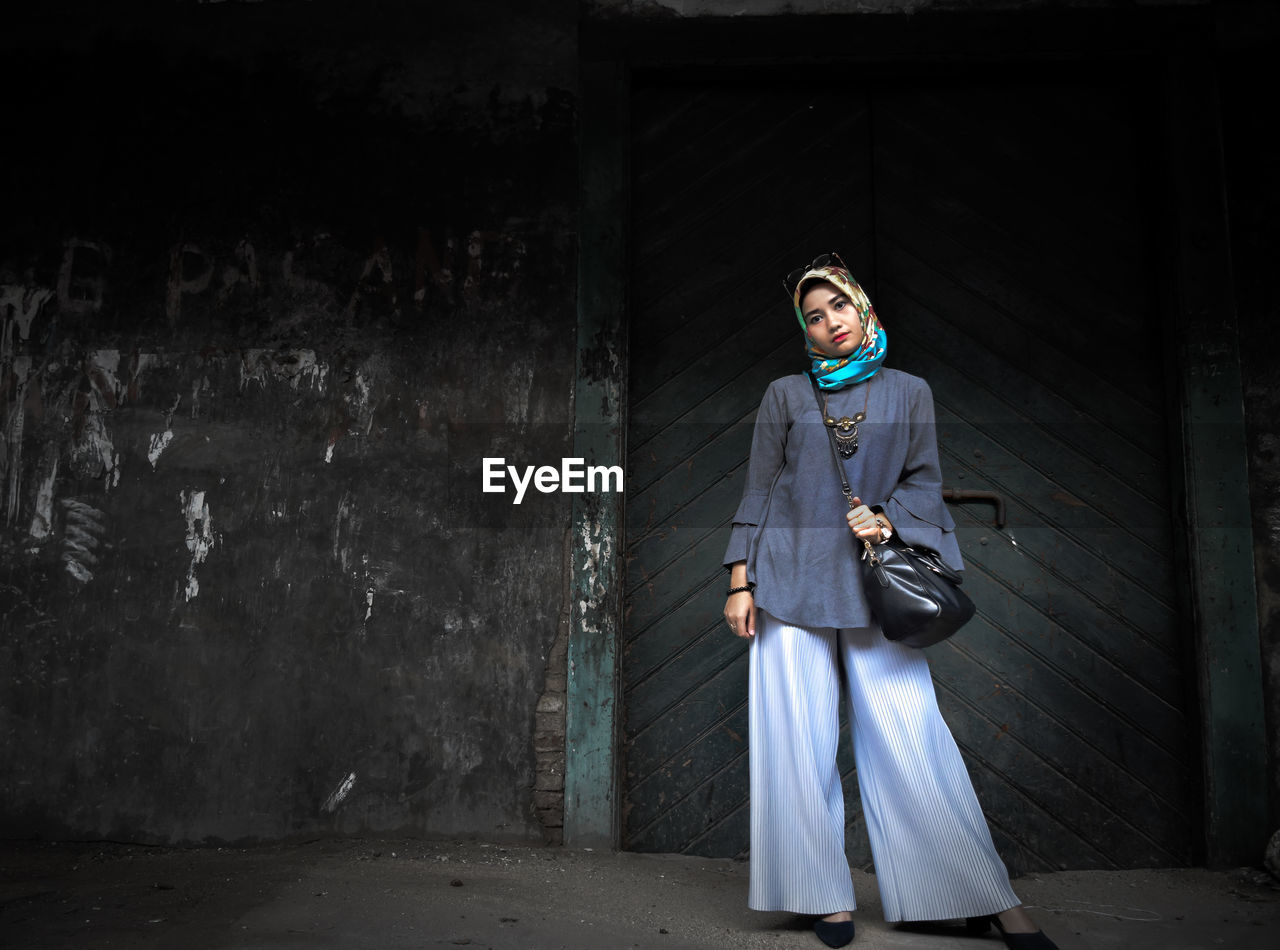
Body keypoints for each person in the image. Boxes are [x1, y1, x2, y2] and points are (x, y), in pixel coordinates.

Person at [722, 254, 1058, 950]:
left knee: (912, 740)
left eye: (837, 307)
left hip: (875, 585)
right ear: (804, 331)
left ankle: (977, 894)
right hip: (787, 580)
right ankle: (821, 897)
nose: (828, 323)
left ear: (862, 307)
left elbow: (923, 482)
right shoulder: (785, 395)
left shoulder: (909, 392)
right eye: (813, 317)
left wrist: (890, 519)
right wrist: (738, 580)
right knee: (795, 747)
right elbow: (758, 492)